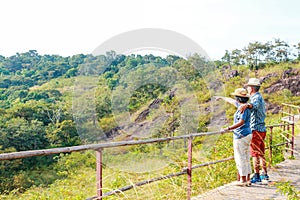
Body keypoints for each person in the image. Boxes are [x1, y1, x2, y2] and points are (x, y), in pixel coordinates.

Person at [216, 88, 252, 186]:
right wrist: (222, 97)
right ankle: (248, 179)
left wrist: (228, 128)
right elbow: (231, 101)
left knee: (240, 157)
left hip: (241, 135)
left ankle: (243, 180)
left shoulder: (242, 109)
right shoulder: (243, 106)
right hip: (247, 134)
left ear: (238, 98)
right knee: (246, 157)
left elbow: (241, 122)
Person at [239, 78, 268, 184]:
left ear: (251, 88)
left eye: (248, 87)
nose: (247, 88)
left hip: (255, 129)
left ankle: (256, 175)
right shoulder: (259, 97)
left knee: (254, 153)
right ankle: (264, 173)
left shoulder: (255, 97)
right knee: (260, 153)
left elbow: (253, 105)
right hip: (262, 128)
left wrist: (246, 105)